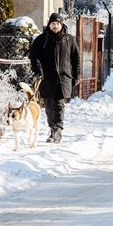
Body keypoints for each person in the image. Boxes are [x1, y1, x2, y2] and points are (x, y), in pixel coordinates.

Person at [29, 12, 79, 144]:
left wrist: (76, 76)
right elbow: (33, 56)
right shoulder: (41, 39)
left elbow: (76, 59)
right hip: (46, 77)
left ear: (61, 25)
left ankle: (57, 131)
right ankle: (52, 128)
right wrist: (38, 70)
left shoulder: (69, 40)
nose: (55, 26)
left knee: (58, 104)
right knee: (49, 105)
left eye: (57, 23)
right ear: (49, 25)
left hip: (63, 77)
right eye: (53, 24)